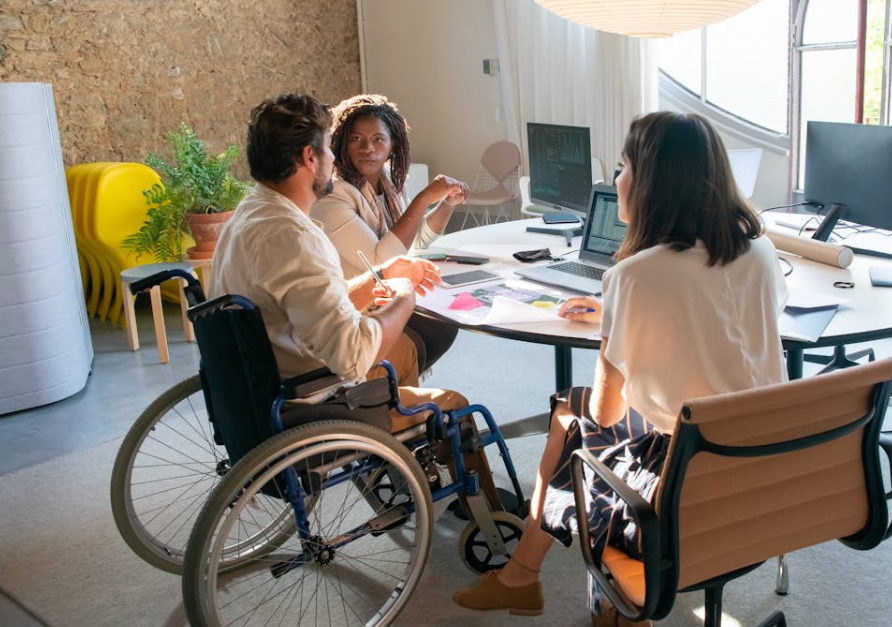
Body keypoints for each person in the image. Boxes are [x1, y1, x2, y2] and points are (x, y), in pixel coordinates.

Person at [452, 112, 788, 627]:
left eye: (623, 167)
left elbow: (609, 411)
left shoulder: (632, 275)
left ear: (652, 182)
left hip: (685, 477)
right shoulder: (759, 249)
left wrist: (618, 317)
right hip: (763, 461)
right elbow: (726, 328)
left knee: (574, 417)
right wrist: (622, 314)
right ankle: (532, 579)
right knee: (572, 412)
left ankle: (537, 581)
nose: (615, 181)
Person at [209, 93, 500, 505]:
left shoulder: (250, 214)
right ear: (311, 157)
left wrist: (380, 276)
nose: (334, 159)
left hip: (259, 384)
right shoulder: (296, 236)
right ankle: (487, 518)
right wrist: (402, 294)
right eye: (331, 147)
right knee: (458, 406)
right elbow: (352, 355)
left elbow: (305, 301)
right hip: (315, 399)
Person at [312, 93, 467, 374]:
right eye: (356, 139)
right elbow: (381, 260)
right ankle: (383, 385)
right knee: (434, 321)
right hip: (354, 311)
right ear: (342, 142)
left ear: (393, 145)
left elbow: (413, 241)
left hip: (382, 298)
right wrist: (423, 200)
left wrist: (446, 204)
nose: (367, 148)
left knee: (444, 315)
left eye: (378, 140)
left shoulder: (389, 183)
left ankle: (393, 387)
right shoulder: (333, 196)